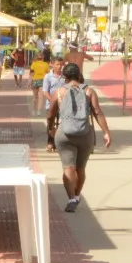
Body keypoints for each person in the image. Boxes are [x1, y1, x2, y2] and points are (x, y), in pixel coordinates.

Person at [47, 62, 112, 214]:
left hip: (64, 134)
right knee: (80, 168)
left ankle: (71, 199)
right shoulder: (89, 91)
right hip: (85, 134)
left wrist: (50, 128)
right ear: (79, 75)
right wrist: (106, 132)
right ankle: (76, 195)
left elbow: (51, 114)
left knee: (68, 167)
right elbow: (98, 113)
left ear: (65, 76)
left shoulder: (59, 92)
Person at [42, 57, 66, 150]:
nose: (59, 67)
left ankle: (60, 142)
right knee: (51, 123)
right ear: (52, 64)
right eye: (57, 64)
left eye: (61, 64)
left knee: (62, 124)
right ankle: (50, 141)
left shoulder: (65, 76)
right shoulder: (48, 76)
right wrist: (53, 100)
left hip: (63, 105)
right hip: (51, 104)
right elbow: (45, 92)